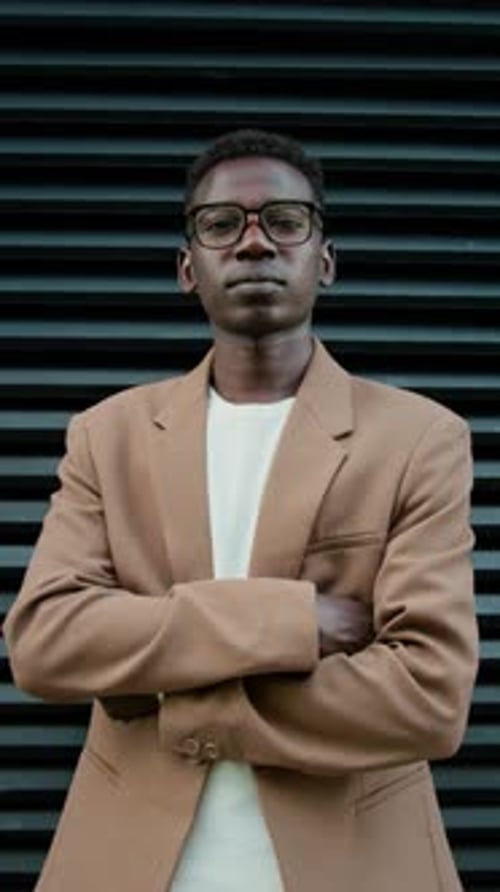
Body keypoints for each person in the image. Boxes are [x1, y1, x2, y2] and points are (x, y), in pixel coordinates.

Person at [4, 128, 478, 892]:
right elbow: (46, 643)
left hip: (357, 864)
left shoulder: (420, 438)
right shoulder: (107, 435)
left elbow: (429, 696)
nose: (255, 243)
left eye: (285, 221)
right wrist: (295, 621)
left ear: (325, 259)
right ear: (188, 268)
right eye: (222, 224)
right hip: (128, 862)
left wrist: (177, 700)